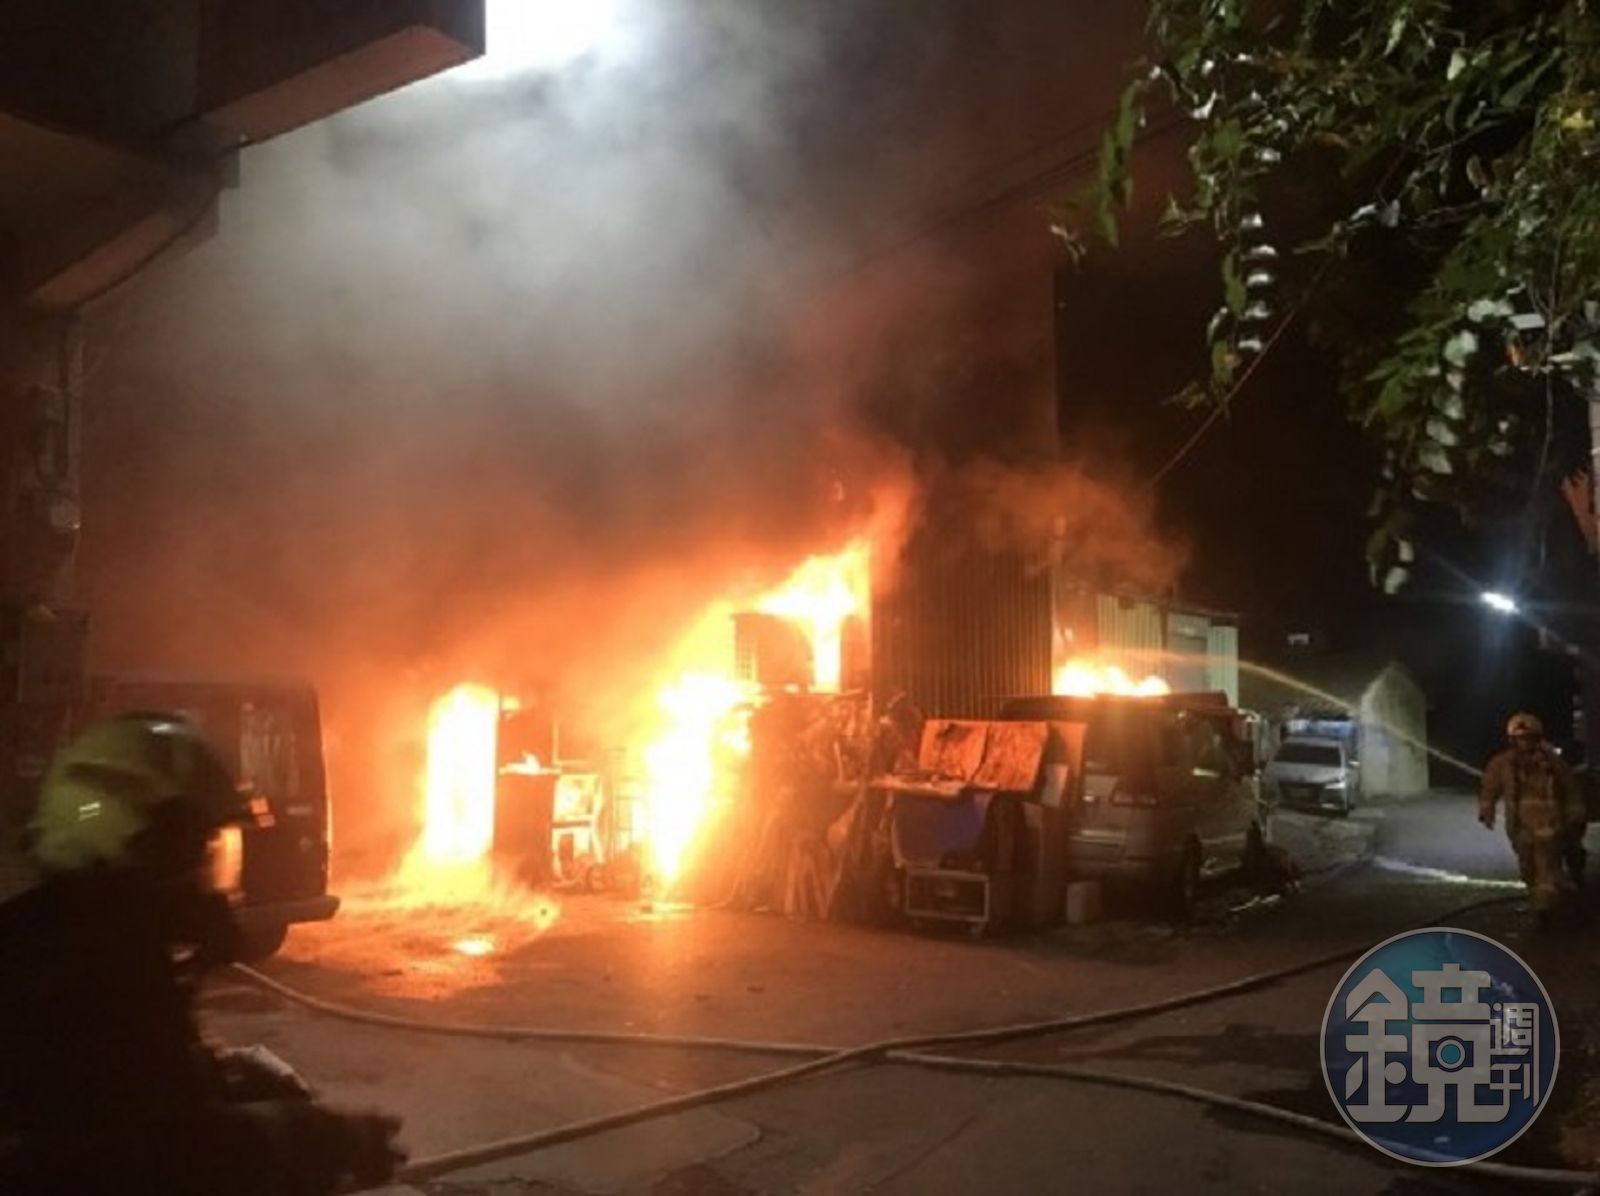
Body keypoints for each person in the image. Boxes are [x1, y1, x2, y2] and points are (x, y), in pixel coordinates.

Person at [0, 712, 404, 1195]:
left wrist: (224, 1074)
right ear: (145, 850)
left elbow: (135, 1095)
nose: (213, 884)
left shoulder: (59, 938)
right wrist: (320, 1139)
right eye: (201, 854)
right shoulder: (96, 973)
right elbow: (167, 1156)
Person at [1478, 712, 1586, 927]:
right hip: (1520, 828)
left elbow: (1571, 789)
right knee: (1528, 868)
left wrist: (1575, 815)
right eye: (1520, 739)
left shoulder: (1553, 764)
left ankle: (1544, 910)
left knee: (1547, 868)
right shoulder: (1502, 764)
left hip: (1550, 826)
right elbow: (1490, 787)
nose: (1525, 743)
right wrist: (1486, 809)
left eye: (1529, 738)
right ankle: (1545, 897)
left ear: (1537, 738)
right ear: (1512, 740)